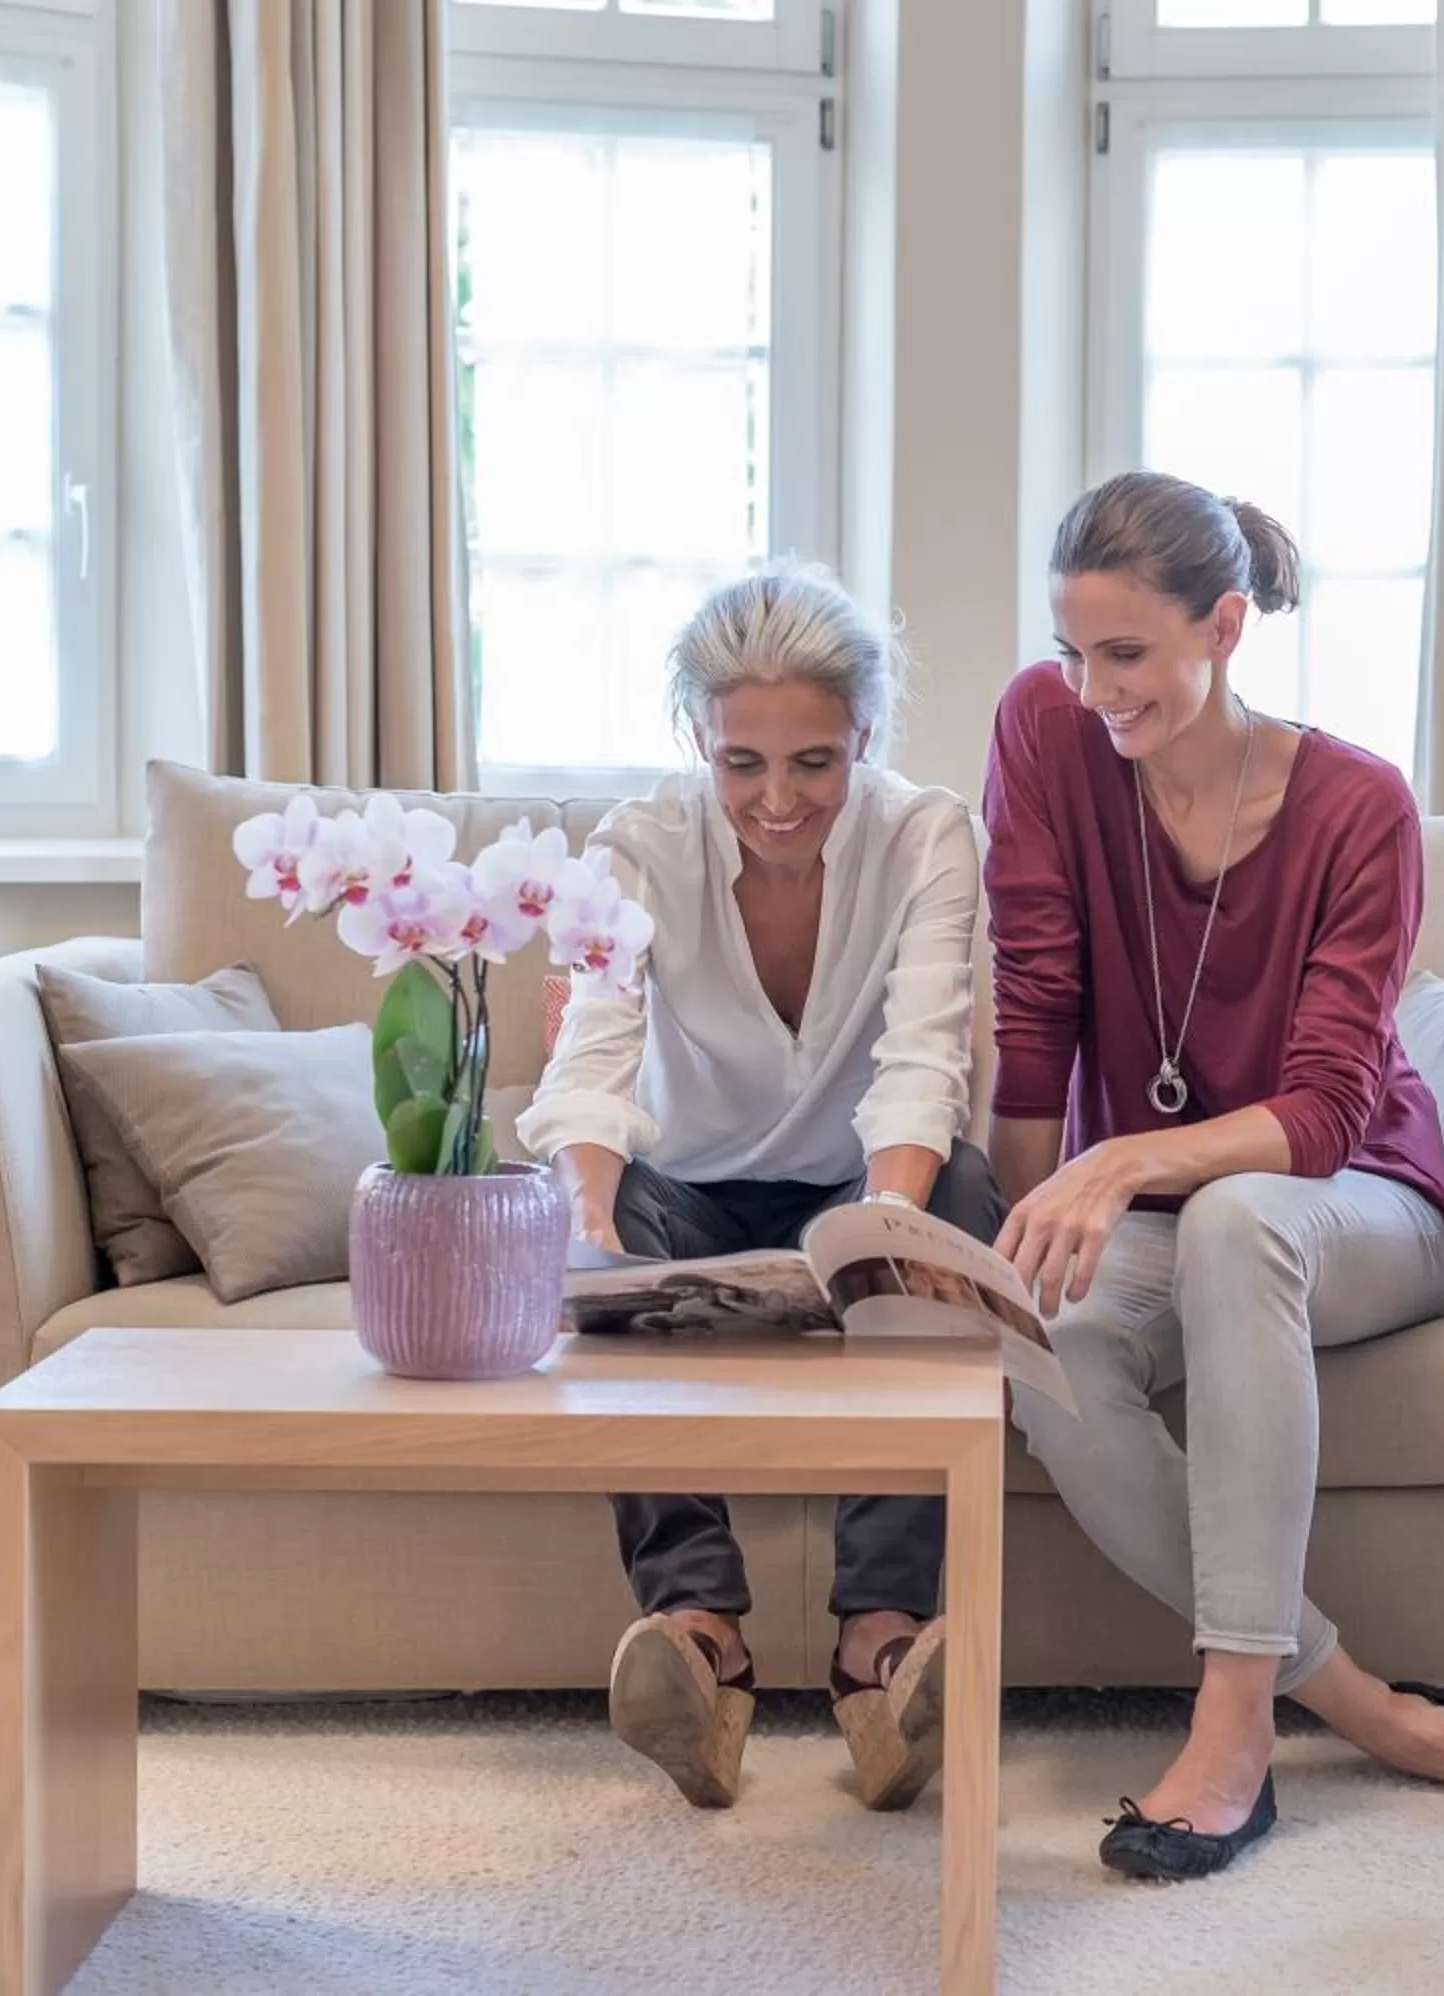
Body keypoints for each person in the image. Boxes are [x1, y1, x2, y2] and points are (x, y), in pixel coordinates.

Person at [983, 470, 1444, 1881]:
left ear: (1225, 625)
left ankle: (1232, 1723)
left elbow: (1326, 1109)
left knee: (1242, 1219)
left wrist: (1113, 1158)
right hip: (1187, 1213)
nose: (1092, 687)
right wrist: (1016, 1230)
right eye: (1072, 649)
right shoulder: (1045, 733)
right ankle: (1370, 1711)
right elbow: (1034, 1000)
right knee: (1036, 1339)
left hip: (1371, 1206)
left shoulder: (1358, 802)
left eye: (1128, 655)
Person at [520, 561, 1007, 1815]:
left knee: (956, 1191)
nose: (778, 801)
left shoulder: (930, 836)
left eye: (815, 763)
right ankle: (700, 1633)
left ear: (865, 741)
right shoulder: (633, 849)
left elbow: (921, 1064)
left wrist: (881, 1231)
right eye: (744, 763)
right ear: (697, 739)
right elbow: (594, 1059)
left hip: (854, 1182)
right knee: (593, 1223)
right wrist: (583, 1234)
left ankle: (882, 1646)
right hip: (687, 1193)